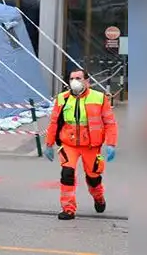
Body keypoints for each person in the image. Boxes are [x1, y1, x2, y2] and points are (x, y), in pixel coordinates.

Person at [43, 68, 119, 220]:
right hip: (69, 144)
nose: (75, 82)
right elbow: (54, 123)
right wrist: (49, 143)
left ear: (87, 81)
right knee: (67, 174)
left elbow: (110, 123)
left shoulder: (99, 98)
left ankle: (99, 198)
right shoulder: (62, 98)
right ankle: (68, 209)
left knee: (93, 178)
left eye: (78, 78)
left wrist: (111, 144)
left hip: (91, 145)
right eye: (72, 79)